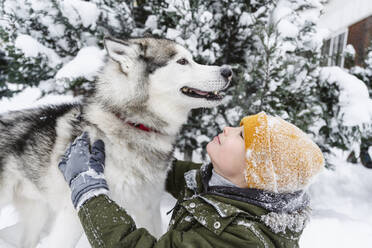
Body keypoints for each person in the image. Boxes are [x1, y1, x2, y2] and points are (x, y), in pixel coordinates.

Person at [58, 112, 324, 248]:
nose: (227, 129)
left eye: (241, 136)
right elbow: (169, 172)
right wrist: (125, 149)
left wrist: (87, 190)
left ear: (257, 172)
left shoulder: (242, 239)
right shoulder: (224, 186)